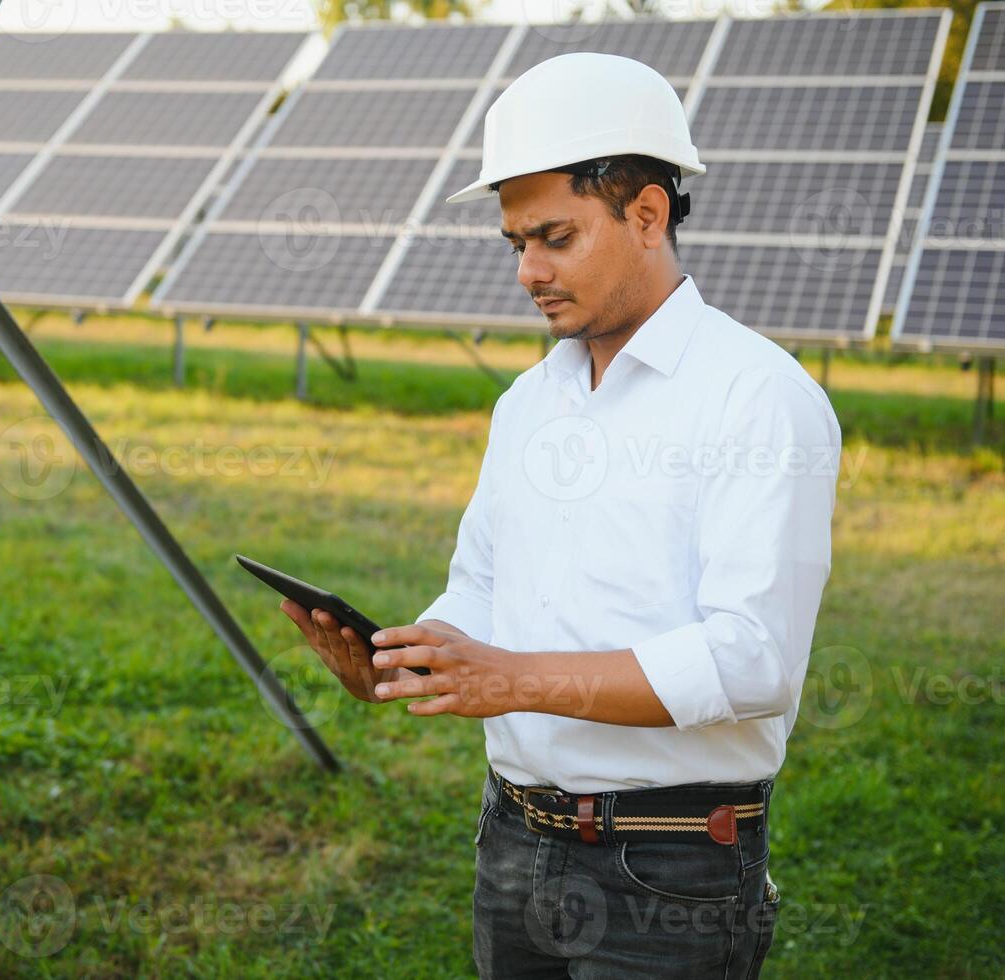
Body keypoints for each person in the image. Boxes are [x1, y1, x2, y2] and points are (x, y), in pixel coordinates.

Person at [280, 51, 841, 978]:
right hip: (512, 839)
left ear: (647, 215)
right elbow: (483, 588)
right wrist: (411, 659)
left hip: (669, 866)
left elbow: (751, 662)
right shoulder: (527, 403)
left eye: (555, 237)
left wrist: (516, 681)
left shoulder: (756, 398)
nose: (528, 271)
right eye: (515, 243)